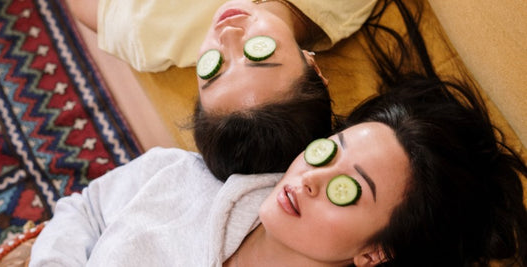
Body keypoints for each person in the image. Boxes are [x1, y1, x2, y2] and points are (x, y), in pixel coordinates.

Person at [30, 1, 527, 266]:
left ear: (375, 252)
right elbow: (87, 208)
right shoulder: (183, 175)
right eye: (328, 152)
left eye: (348, 190)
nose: (311, 178)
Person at [66, 0, 378, 181]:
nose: (227, 35)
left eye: (213, 67)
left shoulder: (147, 33)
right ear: (313, 67)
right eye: (260, 55)